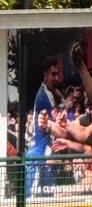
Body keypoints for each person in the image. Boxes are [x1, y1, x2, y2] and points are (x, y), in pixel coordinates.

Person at [28, 56, 62, 195]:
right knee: (33, 200)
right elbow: (60, 123)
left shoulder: (47, 91)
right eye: (53, 74)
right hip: (38, 156)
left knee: (46, 199)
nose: (57, 78)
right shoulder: (44, 95)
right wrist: (69, 104)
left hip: (42, 154)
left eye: (57, 74)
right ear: (45, 75)